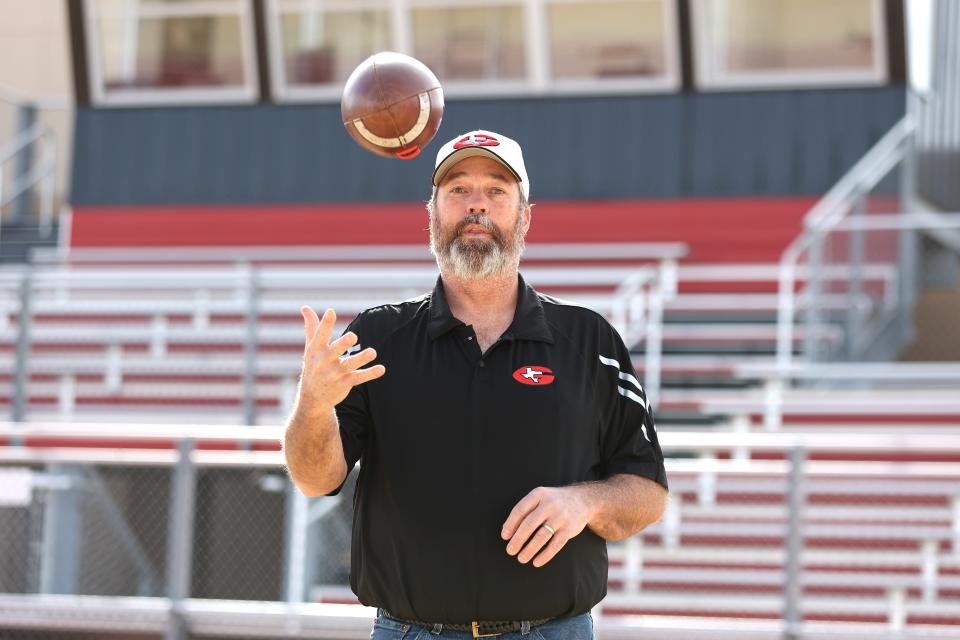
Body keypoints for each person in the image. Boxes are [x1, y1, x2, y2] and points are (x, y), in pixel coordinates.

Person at [284, 130, 668, 639]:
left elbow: (647, 492)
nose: (476, 206)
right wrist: (312, 406)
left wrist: (586, 502)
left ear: (524, 216)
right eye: (458, 190)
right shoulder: (377, 338)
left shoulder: (589, 340)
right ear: (433, 215)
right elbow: (315, 479)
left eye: (497, 191)